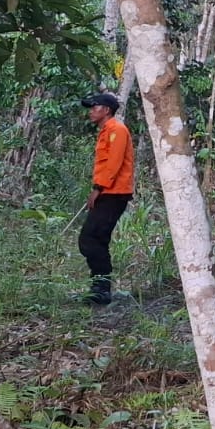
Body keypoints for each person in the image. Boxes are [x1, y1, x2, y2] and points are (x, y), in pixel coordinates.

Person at [78, 91, 134, 306]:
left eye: (95, 107)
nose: (91, 111)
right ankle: (99, 286)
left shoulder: (117, 130)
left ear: (107, 110)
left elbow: (114, 163)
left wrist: (98, 188)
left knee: (91, 238)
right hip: (107, 192)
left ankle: (101, 289)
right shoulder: (106, 131)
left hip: (114, 193)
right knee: (94, 238)